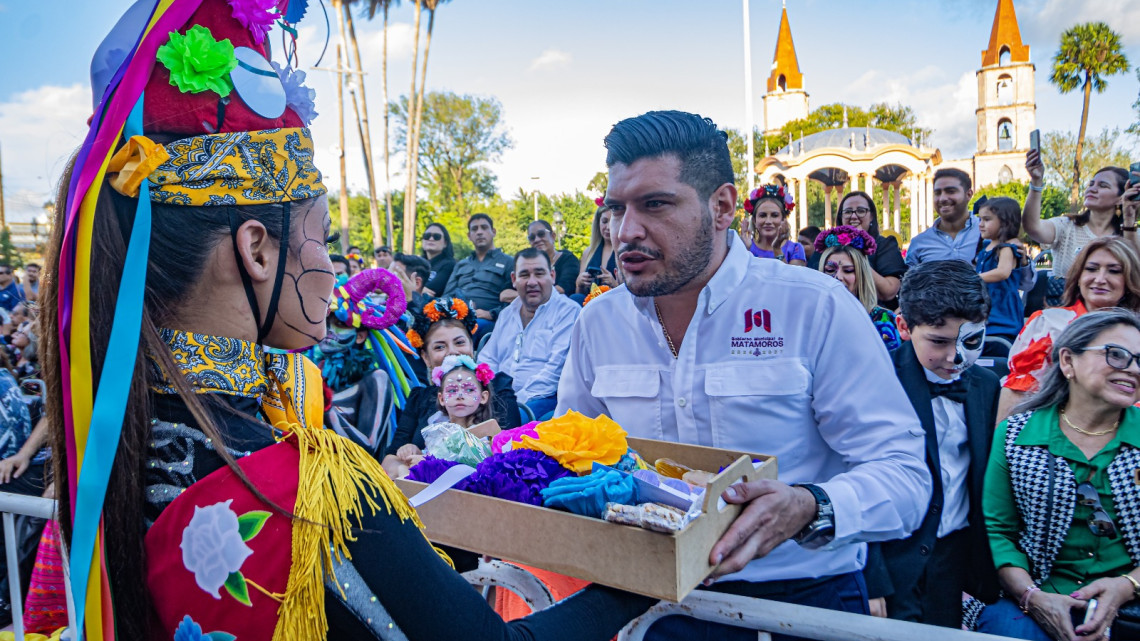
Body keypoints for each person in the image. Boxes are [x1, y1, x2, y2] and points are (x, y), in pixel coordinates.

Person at [45, 5, 651, 639]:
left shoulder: (113, 443)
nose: (332, 272)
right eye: (323, 238)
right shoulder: (306, 487)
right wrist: (639, 573)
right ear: (256, 252)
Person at [557, 110, 930, 640]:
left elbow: (905, 475)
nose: (626, 231)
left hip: (804, 604)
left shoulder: (815, 306)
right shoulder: (597, 322)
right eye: (616, 208)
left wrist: (810, 506)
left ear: (723, 206)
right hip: (650, 606)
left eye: (655, 204)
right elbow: (568, 454)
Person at [976, 309, 1140, 641]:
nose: (1134, 369)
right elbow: (998, 531)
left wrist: (1127, 585)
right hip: (1032, 593)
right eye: (1117, 354)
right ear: (1068, 361)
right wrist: (1032, 596)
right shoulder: (1016, 435)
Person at [866, 261, 1000, 628]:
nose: (956, 356)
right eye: (939, 341)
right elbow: (856, 475)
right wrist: (872, 577)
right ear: (904, 327)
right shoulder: (878, 380)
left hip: (952, 557)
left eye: (970, 341)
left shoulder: (986, 386)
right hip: (893, 555)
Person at [998, 237, 1140, 421]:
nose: (1100, 279)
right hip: (1054, 429)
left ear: (1128, 280)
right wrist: (1005, 437)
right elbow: (1018, 390)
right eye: (1091, 269)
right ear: (1078, 277)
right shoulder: (1048, 324)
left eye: (1114, 271)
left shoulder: (1135, 333)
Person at [383, 297, 523, 480]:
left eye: (459, 343)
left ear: (471, 346)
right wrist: (406, 461)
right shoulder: (419, 397)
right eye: (440, 347)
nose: (452, 352)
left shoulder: (497, 387)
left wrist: (429, 461)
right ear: (426, 357)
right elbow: (391, 458)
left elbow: (507, 447)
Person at [478, 248, 581, 421]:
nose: (532, 282)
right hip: (498, 399)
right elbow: (488, 359)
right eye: (524, 275)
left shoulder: (568, 312)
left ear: (552, 276)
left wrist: (510, 403)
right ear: (514, 279)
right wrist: (488, 395)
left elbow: (554, 372)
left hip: (543, 399)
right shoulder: (507, 314)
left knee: (504, 423)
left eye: (539, 274)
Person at [1023, 148, 1134, 305]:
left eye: (1103, 185)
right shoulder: (1066, 226)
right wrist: (1036, 182)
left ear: (1120, 198)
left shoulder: (1130, 234)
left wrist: (1129, 220)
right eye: (1091, 184)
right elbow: (1033, 227)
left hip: (1113, 315)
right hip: (1066, 311)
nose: (1092, 189)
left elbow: (1135, 272)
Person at [814, 226, 902, 351]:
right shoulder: (812, 318)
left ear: (862, 275)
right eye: (830, 270)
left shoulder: (883, 320)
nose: (838, 277)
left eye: (848, 270)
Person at [443, 213, 515, 333]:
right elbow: (447, 296)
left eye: (484, 227)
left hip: (488, 321)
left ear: (494, 232)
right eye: (474, 229)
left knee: (468, 329)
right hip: (456, 318)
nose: (479, 232)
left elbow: (516, 300)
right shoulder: (461, 265)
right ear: (469, 236)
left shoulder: (509, 262)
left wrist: (491, 314)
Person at [836, 191, 908, 306]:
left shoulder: (885, 245)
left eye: (861, 211)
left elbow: (888, 292)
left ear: (871, 216)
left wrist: (858, 253)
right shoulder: (828, 246)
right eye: (848, 212)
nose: (853, 216)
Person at [975, 197, 1026, 356]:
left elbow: (1003, 272)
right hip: (986, 311)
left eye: (987, 219)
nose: (981, 224)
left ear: (1005, 222)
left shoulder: (1007, 248)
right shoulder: (985, 249)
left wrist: (974, 278)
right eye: (980, 219)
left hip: (1003, 310)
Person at [905, 168, 980, 267]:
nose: (942, 198)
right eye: (937, 193)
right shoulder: (919, 243)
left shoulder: (990, 233)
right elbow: (909, 276)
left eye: (951, 191)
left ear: (969, 194)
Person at [741, 184, 806, 265]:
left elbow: (791, 273)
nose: (768, 221)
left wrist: (777, 248)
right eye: (763, 215)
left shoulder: (795, 249)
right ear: (754, 220)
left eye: (774, 215)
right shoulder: (745, 247)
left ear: (783, 219)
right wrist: (745, 250)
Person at [574, 203, 621, 303]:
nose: (608, 227)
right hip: (590, 303)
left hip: (615, 303)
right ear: (598, 223)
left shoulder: (624, 251)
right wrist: (579, 283)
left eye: (612, 221)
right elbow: (579, 293)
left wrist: (614, 284)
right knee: (575, 298)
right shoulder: (588, 252)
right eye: (604, 221)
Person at [524, 219, 579, 295]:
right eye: (532, 237)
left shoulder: (568, 260)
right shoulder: (528, 264)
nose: (536, 240)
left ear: (553, 236)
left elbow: (562, 289)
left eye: (541, 234)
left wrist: (526, 294)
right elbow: (508, 293)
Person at [419, 222, 456, 297]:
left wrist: (411, 288)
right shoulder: (415, 262)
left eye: (436, 236)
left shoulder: (450, 265)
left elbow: (431, 291)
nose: (431, 239)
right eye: (427, 236)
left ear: (445, 243)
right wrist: (419, 290)